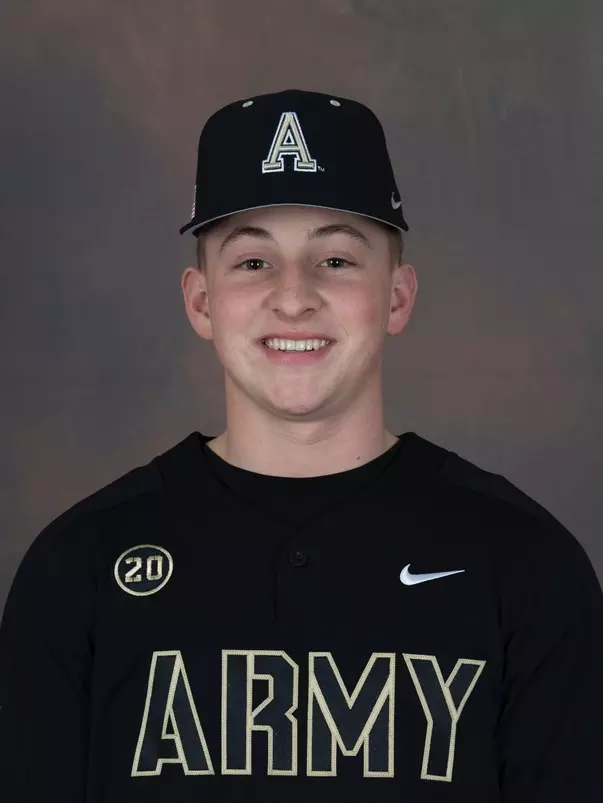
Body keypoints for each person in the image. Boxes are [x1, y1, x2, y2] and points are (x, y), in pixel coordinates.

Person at [0, 88, 602, 803]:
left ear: (397, 296)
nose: (293, 297)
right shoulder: (80, 567)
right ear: (200, 300)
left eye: (336, 260)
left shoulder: (524, 563)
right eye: (253, 262)